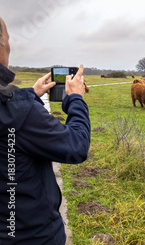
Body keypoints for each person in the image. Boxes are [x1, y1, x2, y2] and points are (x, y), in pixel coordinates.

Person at [0, 16, 90, 244]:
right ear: (2, 45)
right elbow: (76, 147)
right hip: (29, 234)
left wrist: (31, 93)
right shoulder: (17, 110)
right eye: (8, 39)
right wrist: (75, 99)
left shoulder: (14, 107)